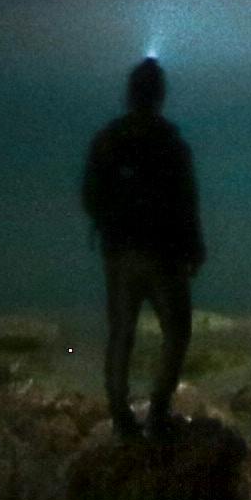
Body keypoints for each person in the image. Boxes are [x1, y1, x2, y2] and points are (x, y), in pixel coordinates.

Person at [77, 53, 206, 443]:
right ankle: (158, 412)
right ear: (160, 95)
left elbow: (89, 193)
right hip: (163, 255)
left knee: (121, 334)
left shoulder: (108, 140)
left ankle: (120, 416)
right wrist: (194, 247)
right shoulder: (171, 143)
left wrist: (109, 226)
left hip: (119, 253)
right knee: (177, 333)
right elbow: (187, 200)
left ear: (130, 94)